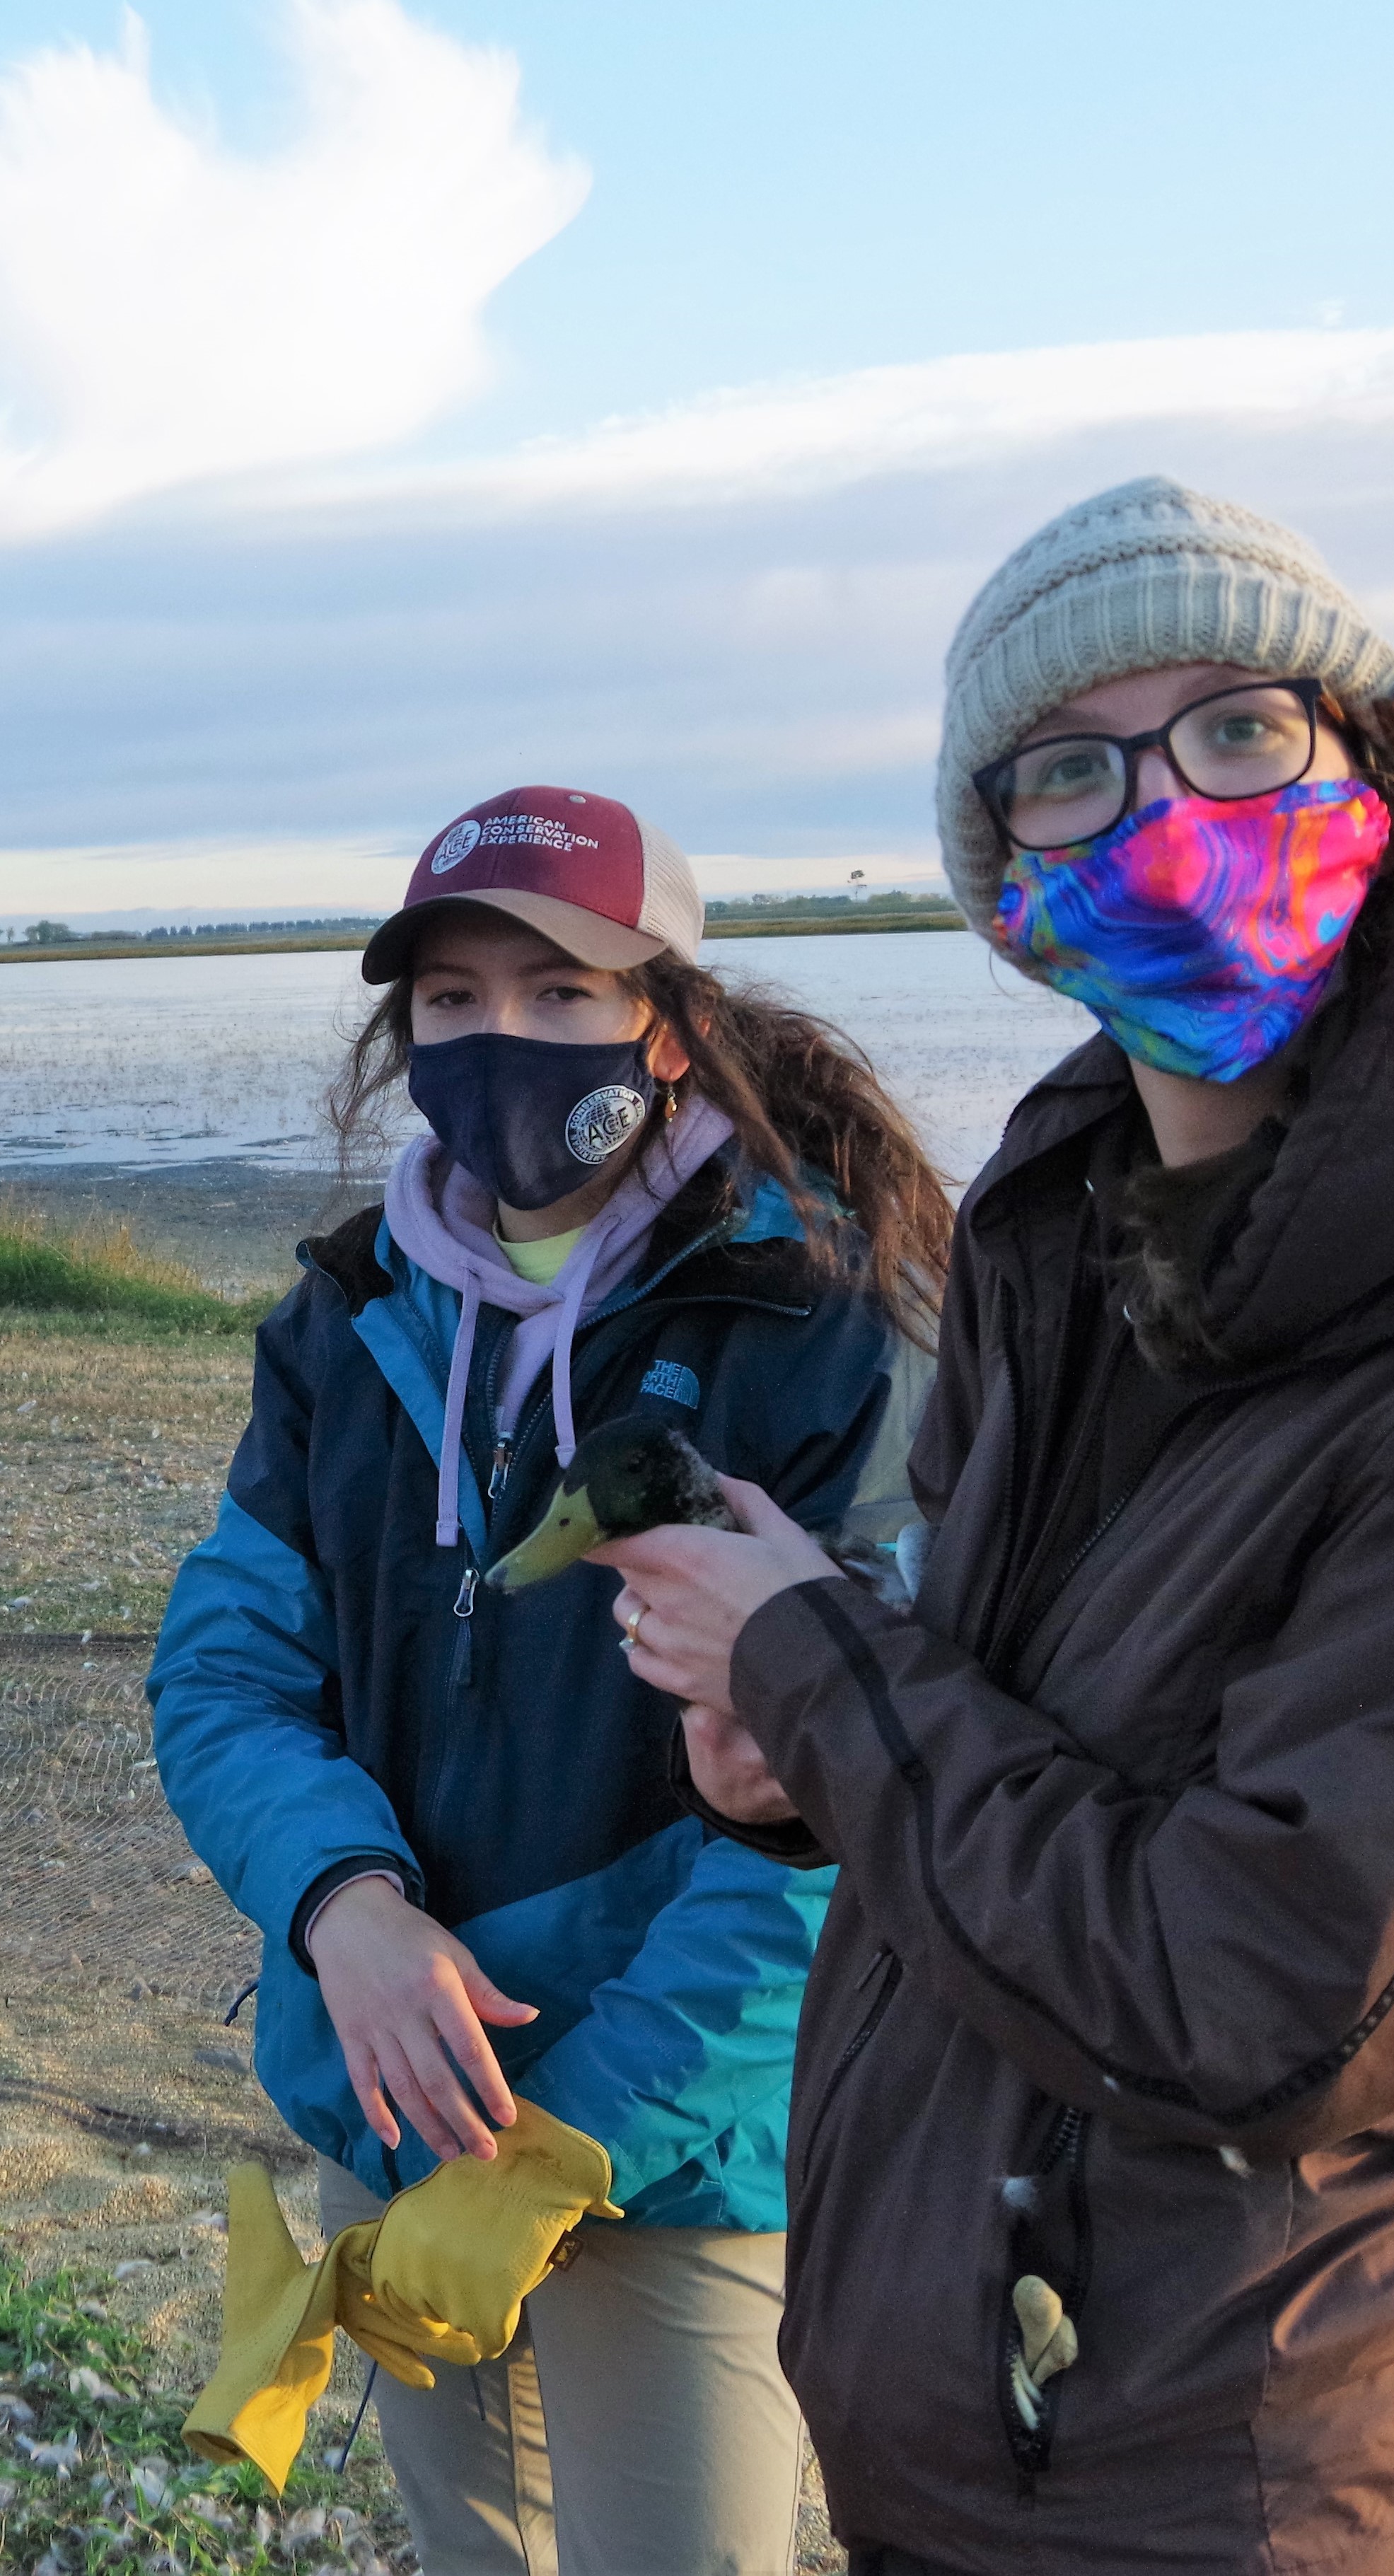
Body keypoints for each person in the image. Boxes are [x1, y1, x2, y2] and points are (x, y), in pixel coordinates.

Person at [593, 480, 1394, 2576]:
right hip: (960, 2442)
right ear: (1005, 884)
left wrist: (816, 1666)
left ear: (1377, 780)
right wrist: (801, 1758)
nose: (1165, 819)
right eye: (1072, 773)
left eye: (1237, 734)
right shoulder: (1056, 1227)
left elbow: (1265, 2001)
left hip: (1210, 2495)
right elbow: (1016, 1711)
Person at [149, 784, 946, 2575]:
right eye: (451, 998)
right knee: (473, 2548)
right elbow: (223, 1672)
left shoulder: (825, 1323)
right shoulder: (346, 1318)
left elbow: (861, 1794)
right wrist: (343, 1907)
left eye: (560, 990)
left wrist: (571, 2140)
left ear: (666, 1020)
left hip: (687, 2142)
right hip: (394, 2087)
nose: (497, 1036)